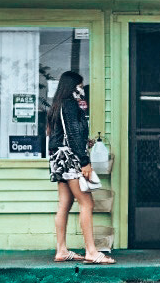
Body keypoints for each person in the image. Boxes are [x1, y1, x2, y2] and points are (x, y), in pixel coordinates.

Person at [48, 71, 115, 265]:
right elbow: (73, 133)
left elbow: (62, 135)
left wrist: (84, 142)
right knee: (87, 203)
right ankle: (91, 252)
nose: (81, 89)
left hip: (58, 159)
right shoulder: (69, 104)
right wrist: (84, 160)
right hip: (71, 159)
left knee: (64, 204)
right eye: (80, 85)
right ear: (72, 86)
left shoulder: (56, 105)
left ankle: (61, 250)